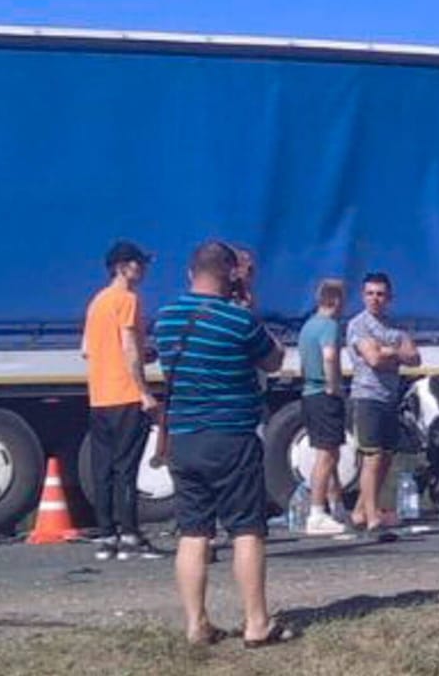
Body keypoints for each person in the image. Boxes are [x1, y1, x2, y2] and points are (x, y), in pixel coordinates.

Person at [155, 241, 290, 647]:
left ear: (189, 272)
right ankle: (256, 623)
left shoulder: (165, 319)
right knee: (247, 530)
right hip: (230, 436)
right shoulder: (238, 321)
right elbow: (273, 361)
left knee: (193, 532)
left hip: (183, 438)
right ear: (231, 275)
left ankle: (196, 624)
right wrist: (248, 305)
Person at [81, 240, 161, 561]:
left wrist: (140, 353)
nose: (142, 269)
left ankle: (106, 536)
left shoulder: (97, 302)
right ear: (122, 267)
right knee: (127, 468)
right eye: (138, 264)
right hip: (126, 394)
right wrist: (144, 391)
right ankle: (130, 534)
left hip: (99, 396)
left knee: (103, 469)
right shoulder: (127, 299)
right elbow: (128, 347)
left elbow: (87, 348)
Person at [348, 272, 420, 532]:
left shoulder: (394, 327)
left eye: (380, 294)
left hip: (390, 397)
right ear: (363, 295)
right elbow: (373, 359)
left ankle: (358, 510)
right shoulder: (358, 325)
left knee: (387, 457)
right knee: (372, 457)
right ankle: (371, 514)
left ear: (389, 297)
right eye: (370, 293)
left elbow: (414, 357)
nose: (375, 299)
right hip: (367, 396)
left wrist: (388, 350)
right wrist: (391, 353)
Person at [296, 278, 350, 536]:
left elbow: (303, 363)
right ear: (336, 300)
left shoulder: (307, 326)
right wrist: (333, 385)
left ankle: (336, 506)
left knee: (331, 453)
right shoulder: (329, 326)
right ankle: (316, 513)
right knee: (326, 456)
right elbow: (329, 355)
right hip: (324, 394)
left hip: (309, 393)